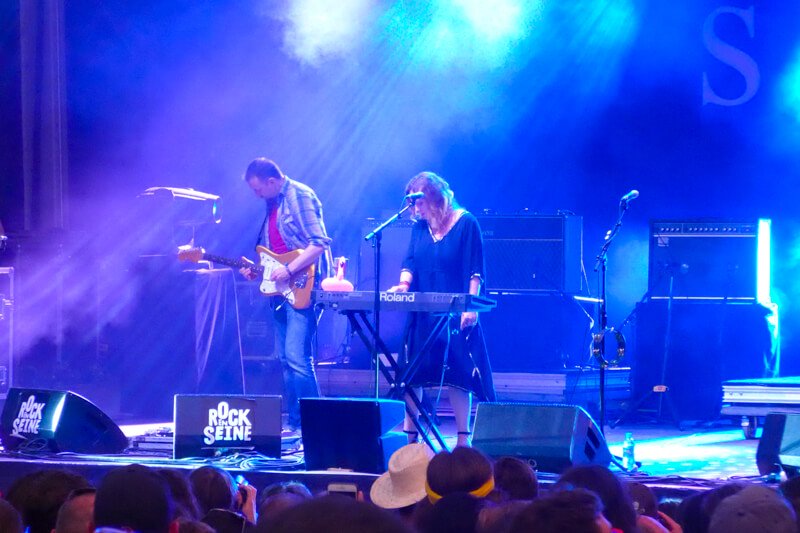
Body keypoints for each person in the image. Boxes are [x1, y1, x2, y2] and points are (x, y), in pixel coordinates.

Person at [387, 171, 495, 447]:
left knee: (458, 374)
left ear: (436, 199)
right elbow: (410, 260)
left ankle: (463, 439)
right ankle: (411, 438)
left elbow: (475, 269)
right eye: (412, 204)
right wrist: (403, 284)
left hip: (456, 312)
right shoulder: (420, 227)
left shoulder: (466, 223)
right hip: (422, 313)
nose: (415, 210)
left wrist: (471, 307)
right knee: (413, 374)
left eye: (420, 203)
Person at [239, 158, 332, 436]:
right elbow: (274, 253)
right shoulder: (272, 204)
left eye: (258, 189)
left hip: (303, 284)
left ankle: (317, 426)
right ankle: (296, 424)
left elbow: (319, 242)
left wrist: (289, 269)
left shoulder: (298, 195)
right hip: (280, 290)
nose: (256, 195)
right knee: (285, 359)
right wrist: (259, 271)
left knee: (297, 357)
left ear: (271, 181)